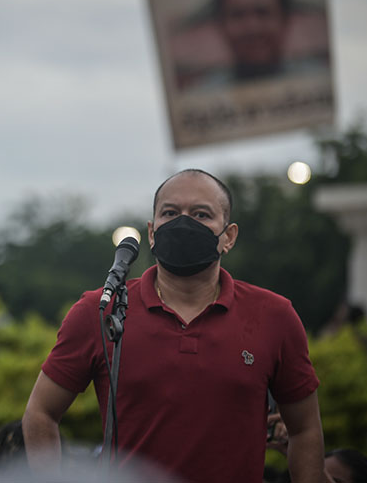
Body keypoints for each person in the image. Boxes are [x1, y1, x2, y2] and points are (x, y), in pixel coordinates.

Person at [22, 169, 328, 483]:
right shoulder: (100, 311)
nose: (183, 223)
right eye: (170, 213)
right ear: (152, 232)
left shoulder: (273, 316)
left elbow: (304, 429)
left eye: (201, 214)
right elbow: (40, 413)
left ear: (229, 237)